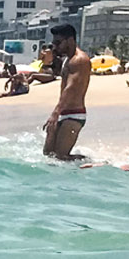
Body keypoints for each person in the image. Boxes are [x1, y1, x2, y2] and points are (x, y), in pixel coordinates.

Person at [43, 23, 92, 160]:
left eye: (58, 43)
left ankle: (91, 162)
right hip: (63, 112)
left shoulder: (79, 60)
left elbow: (70, 88)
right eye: (54, 43)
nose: (55, 47)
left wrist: (55, 113)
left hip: (74, 114)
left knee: (61, 157)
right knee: (48, 156)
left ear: (70, 40)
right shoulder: (68, 60)